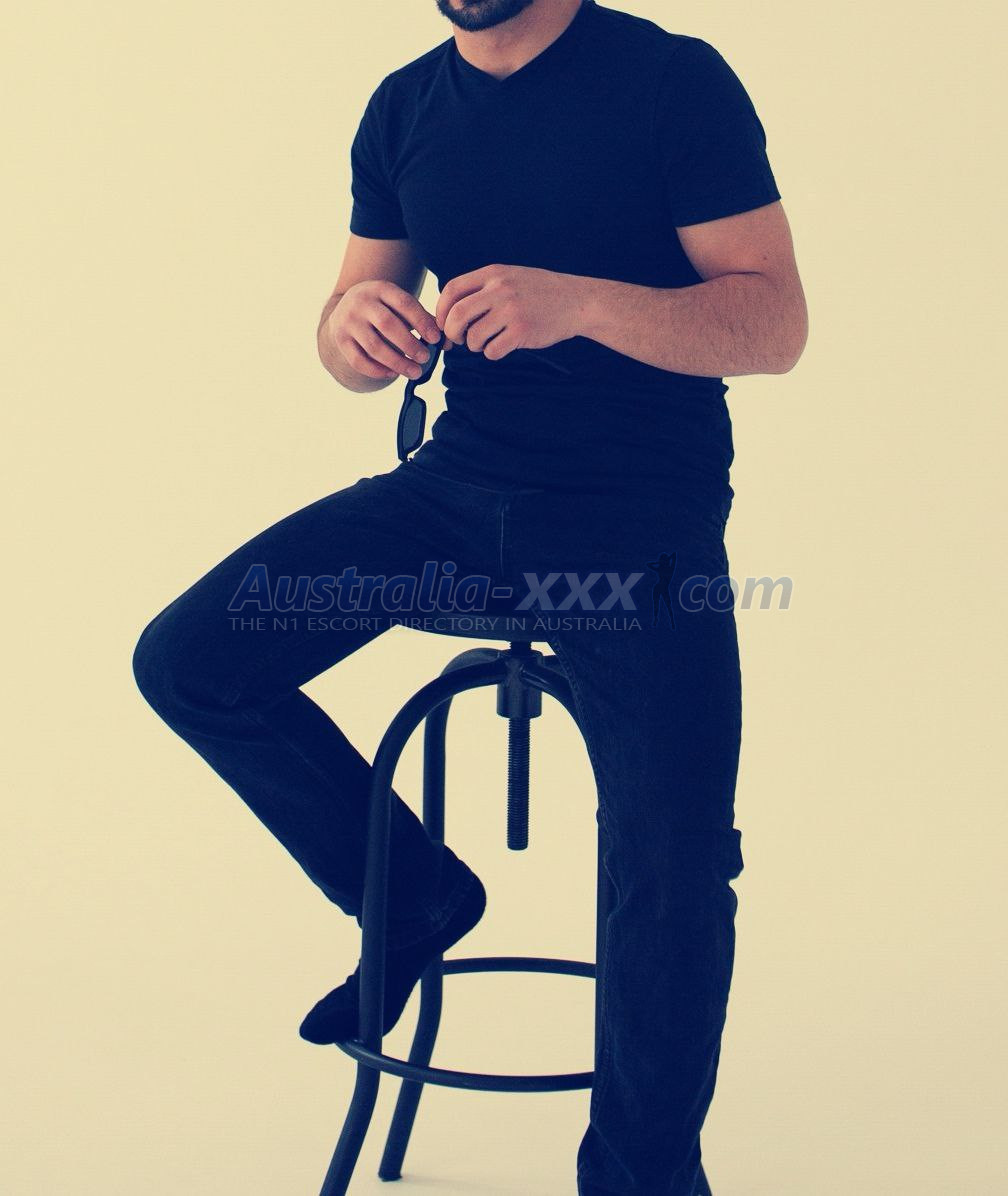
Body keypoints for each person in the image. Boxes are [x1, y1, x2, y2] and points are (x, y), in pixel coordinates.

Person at [131, 1, 807, 1192]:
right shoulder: (404, 107)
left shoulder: (671, 81)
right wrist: (353, 331)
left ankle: (641, 1172)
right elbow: (345, 320)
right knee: (191, 661)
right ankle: (413, 895)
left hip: (636, 520)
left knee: (674, 854)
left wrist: (584, 302)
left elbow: (775, 322)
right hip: (454, 495)